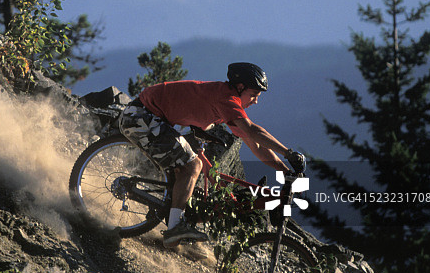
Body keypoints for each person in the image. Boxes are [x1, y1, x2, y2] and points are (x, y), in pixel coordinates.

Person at [119, 62, 305, 247]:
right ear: (240, 88)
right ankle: (175, 228)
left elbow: (256, 146)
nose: (256, 100)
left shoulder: (227, 105)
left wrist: (285, 170)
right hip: (140, 116)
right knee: (193, 166)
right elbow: (253, 130)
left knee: (192, 169)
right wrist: (288, 153)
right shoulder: (226, 98)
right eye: (254, 95)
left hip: (150, 118)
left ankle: (177, 218)